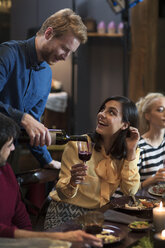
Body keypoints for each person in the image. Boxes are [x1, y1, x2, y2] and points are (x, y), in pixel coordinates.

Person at [0, 8, 87, 169]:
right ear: (48, 33)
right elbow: (28, 120)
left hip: (8, 153)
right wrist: (23, 118)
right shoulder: (8, 54)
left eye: (70, 53)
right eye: (64, 48)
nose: (65, 57)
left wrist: (47, 161)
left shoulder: (47, 74)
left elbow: (35, 129)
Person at [0, 113, 102, 247]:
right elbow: (3, 231)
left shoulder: (5, 169)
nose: (13, 148)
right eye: (9, 145)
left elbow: (19, 211)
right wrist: (54, 236)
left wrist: (33, 242)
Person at [44, 96, 141, 229]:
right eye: (102, 109)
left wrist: (130, 152)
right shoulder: (78, 145)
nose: (101, 114)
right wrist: (73, 181)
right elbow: (63, 194)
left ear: (125, 125)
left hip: (100, 215)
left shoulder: (130, 151)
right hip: (66, 212)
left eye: (111, 112)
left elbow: (130, 191)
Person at [136, 92, 165, 189]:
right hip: (144, 201)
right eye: (160, 110)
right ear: (147, 116)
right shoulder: (139, 147)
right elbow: (128, 189)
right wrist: (153, 179)